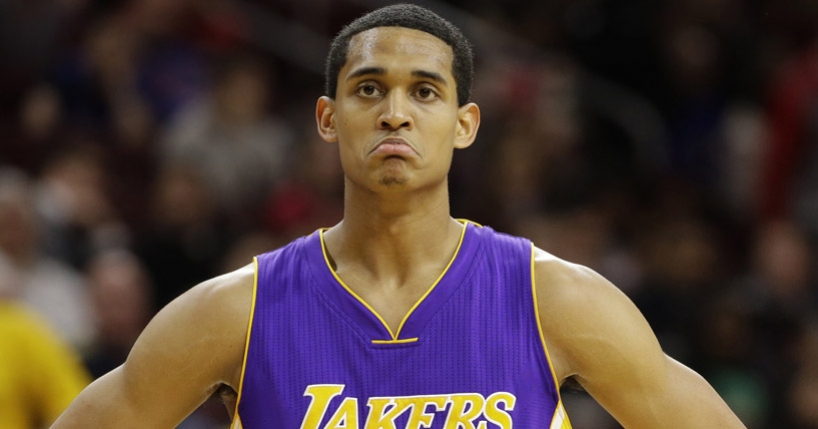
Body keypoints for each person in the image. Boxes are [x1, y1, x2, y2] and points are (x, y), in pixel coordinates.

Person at [53, 4, 745, 428]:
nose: (394, 113)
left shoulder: (555, 299)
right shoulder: (236, 311)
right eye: (368, 89)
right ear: (328, 118)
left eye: (424, 91)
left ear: (465, 124)